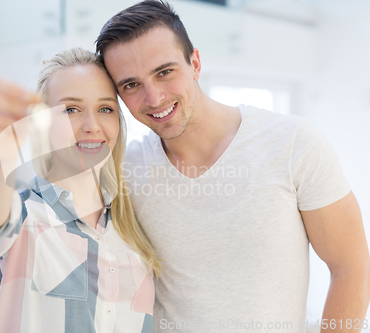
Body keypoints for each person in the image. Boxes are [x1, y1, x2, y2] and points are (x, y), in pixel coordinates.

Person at [94, 1, 370, 332]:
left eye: (164, 72)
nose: (153, 98)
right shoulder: (124, 168)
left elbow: (351, 266)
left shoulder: (293, 143)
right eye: (131, 84)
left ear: (195, 62)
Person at [0, 48, 161, 332]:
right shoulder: (25, 215)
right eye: (71, 110)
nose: (92, 126)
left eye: (105, 109)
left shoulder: (134, 222)